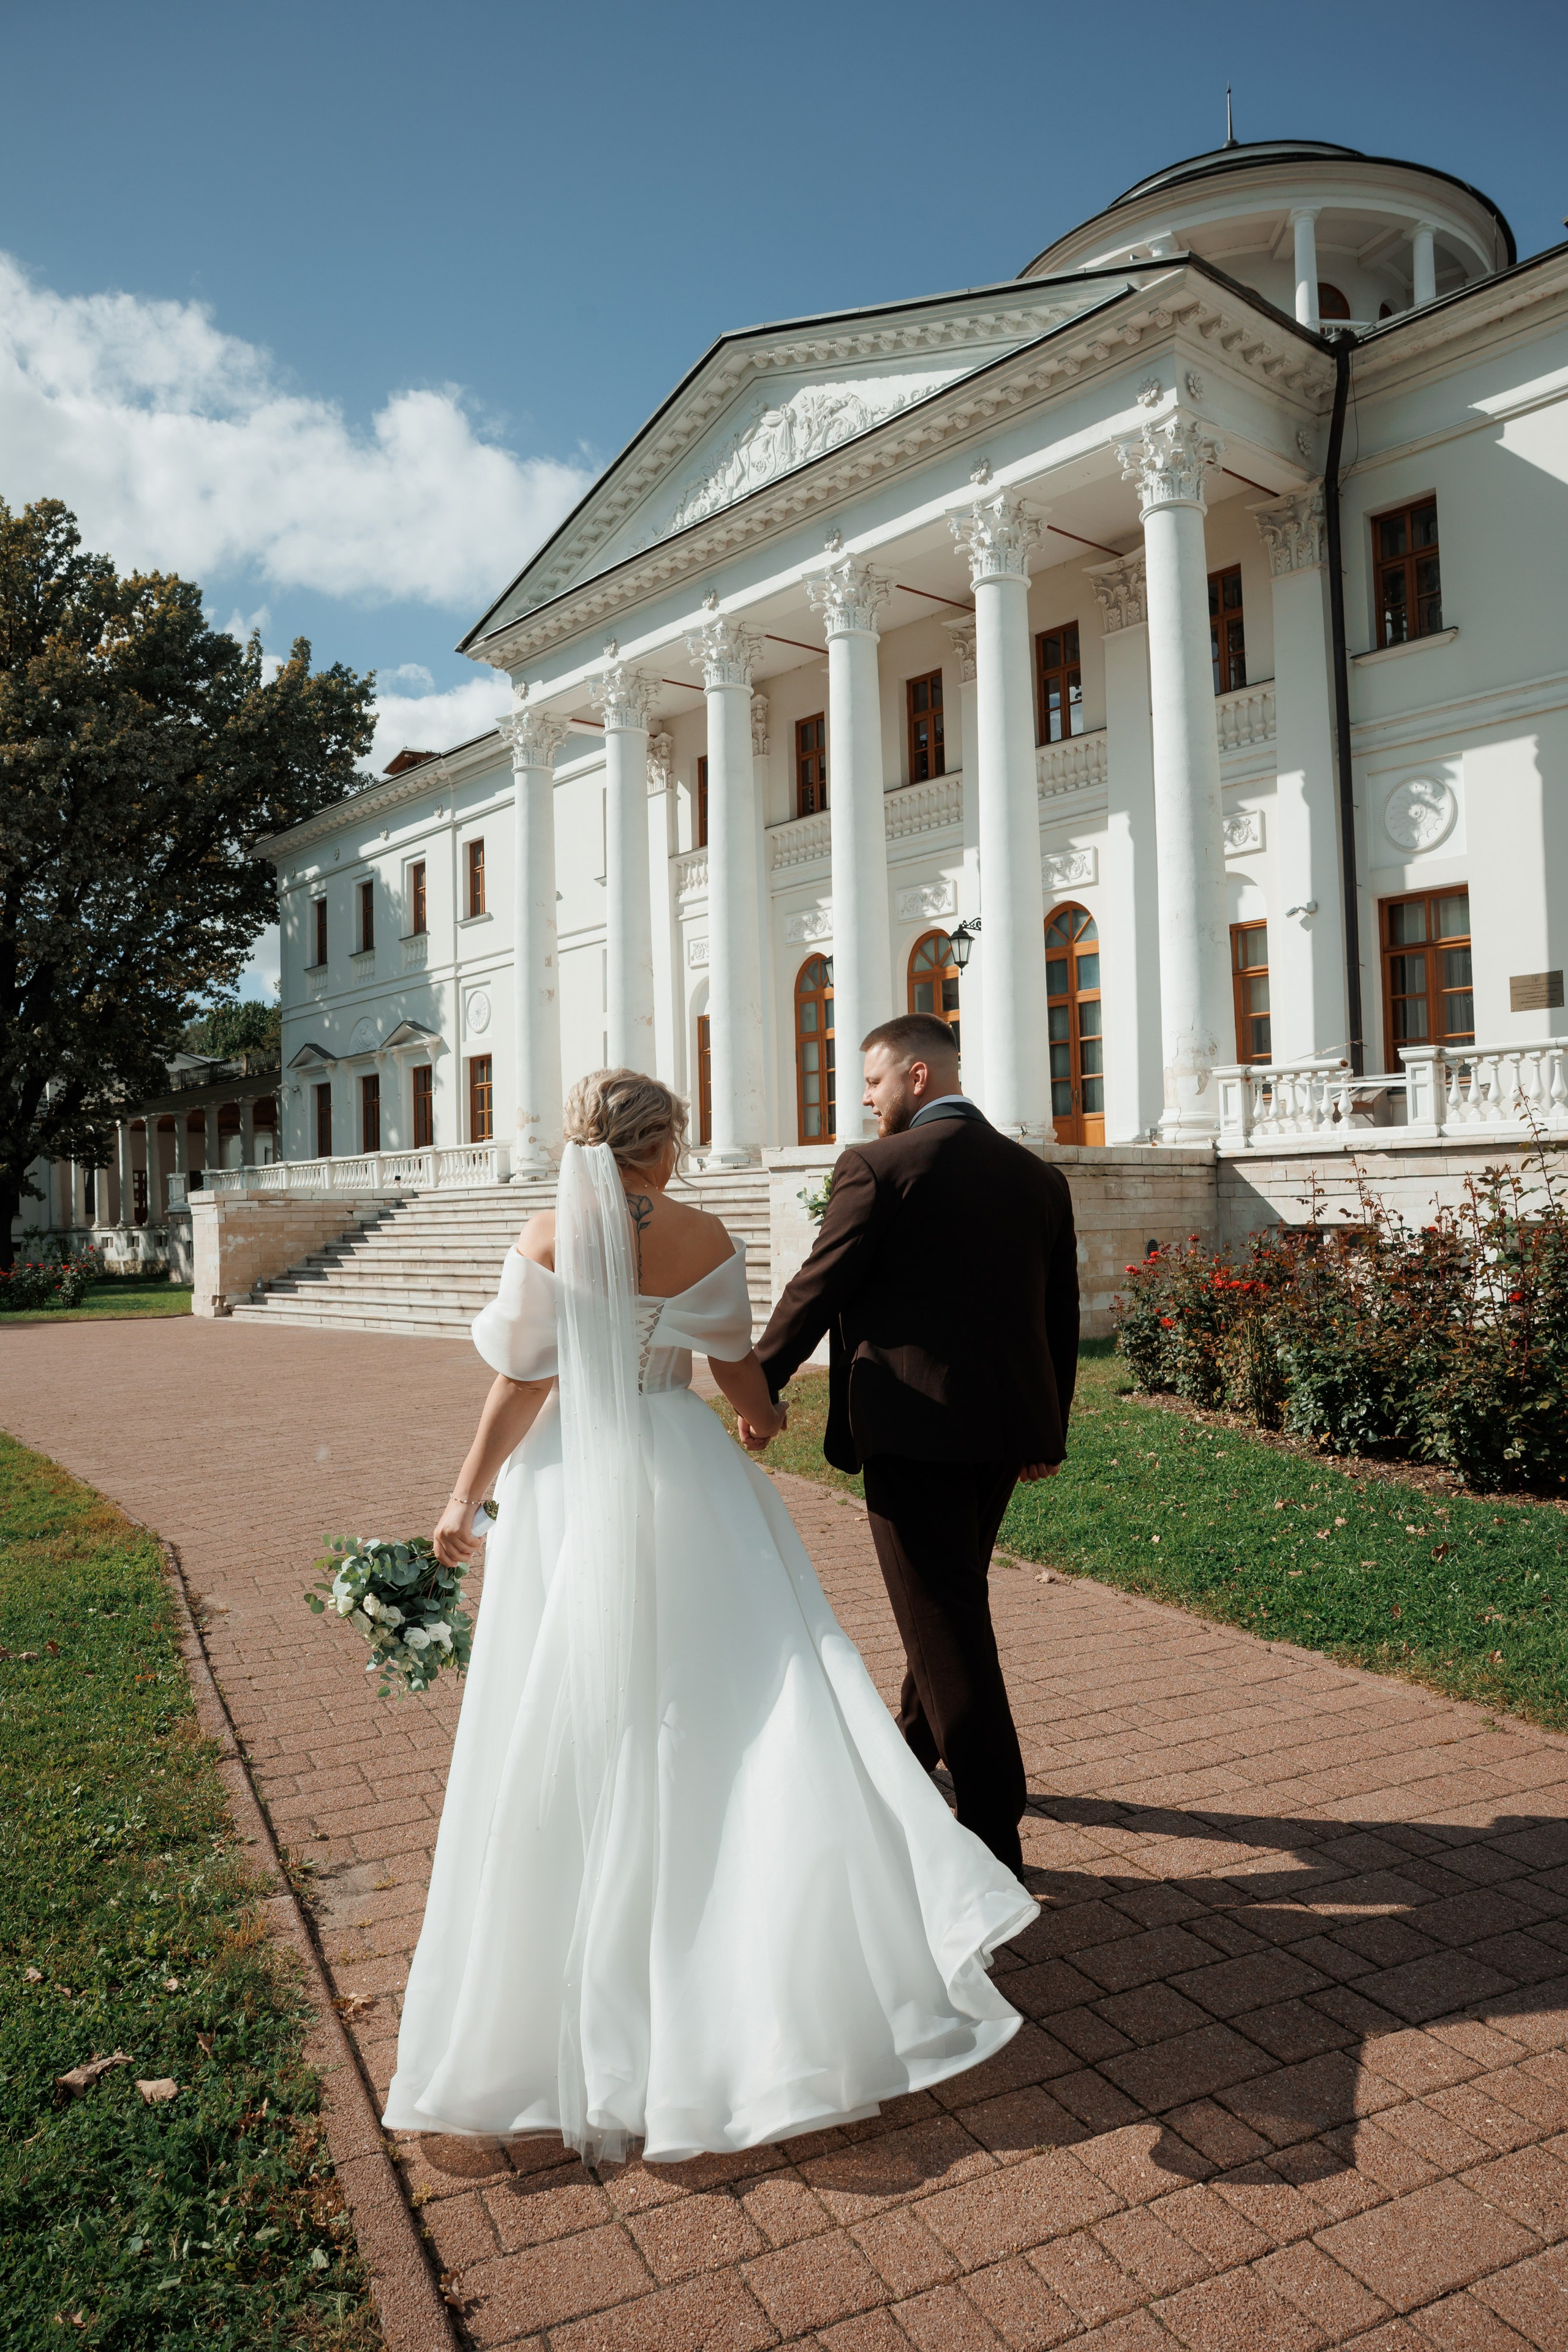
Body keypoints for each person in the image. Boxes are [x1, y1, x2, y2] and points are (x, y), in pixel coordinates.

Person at [382, 1067, 1038, 2168]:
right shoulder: (700, 1234)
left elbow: (520, 1384)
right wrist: (764, 1416)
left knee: (573, 1695)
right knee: (732, 1693)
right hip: (680, 1466)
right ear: (663, 1143)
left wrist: (463, 1497)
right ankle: (753, 1952)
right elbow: (736, 1366)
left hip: (569, 1484)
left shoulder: (547, 1234)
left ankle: (559, 1960)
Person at [748, 1015, 1079, 1878]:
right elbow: (1060, 1322)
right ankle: (903, 1754)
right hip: (1005, 1434)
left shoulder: (878, 1167)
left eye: (872, 1081)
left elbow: (819, 1285)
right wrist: (1050, 1432)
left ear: (919, 1077)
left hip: (913, 1432)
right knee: (950, 1609)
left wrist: (759, 1384)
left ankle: (993, 1837)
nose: (863, 1097)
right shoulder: (1040, 1177)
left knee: (949, 1622)